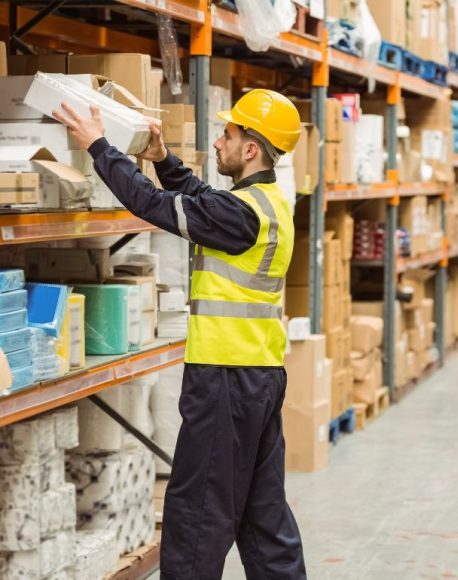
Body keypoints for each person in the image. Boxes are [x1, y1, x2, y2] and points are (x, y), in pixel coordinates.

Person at [54, 90, 307, 579]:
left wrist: (98, 145)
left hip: (226, 382)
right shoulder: (265, 203)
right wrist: (164, 159)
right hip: (259, 377)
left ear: (251, 149)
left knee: (197, 516)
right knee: (263, 515)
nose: (219, 142)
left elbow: (151, 204)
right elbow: (200, 197)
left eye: (228, 135)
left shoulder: (242, 215)